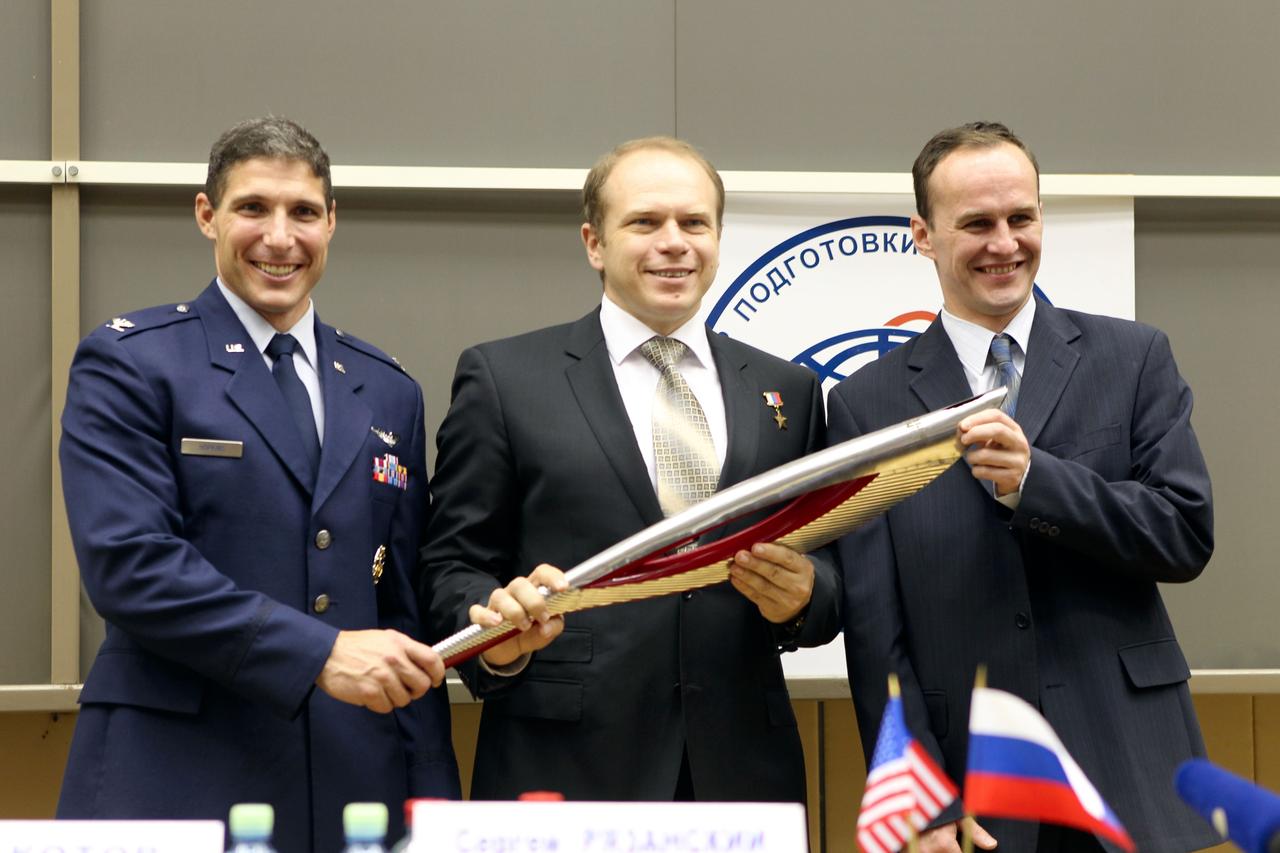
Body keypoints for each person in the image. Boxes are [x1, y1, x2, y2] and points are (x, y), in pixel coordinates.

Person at [57, 116, 460, 852]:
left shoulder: (386, 388)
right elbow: (130, 566)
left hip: (353, 790)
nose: (280, 237)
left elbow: (402, 611)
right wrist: (322, 653)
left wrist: (435, 808)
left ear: (331, 222)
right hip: (176, 778)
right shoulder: (132, 363)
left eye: (303, 212)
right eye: (252, 208)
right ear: (206, 213)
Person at [829, 122, 1216, 852]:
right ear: (924, 234)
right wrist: (919, 795)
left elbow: (1185, 532)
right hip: (971, 787)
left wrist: (1041, 482)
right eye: (976, 223)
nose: (1005, 243)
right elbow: (876, 629)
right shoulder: (864, 404)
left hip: (1130, 765)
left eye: (1022, 218)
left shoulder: (1134, 358)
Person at [421, 136, 840, 801]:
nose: (673, 242)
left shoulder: (785, 388)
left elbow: (834, 570)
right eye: (645, 221)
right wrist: (496, 632)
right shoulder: (506, 379)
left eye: (694, 222)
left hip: (742, 772)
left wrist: (806, 598)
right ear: (594, 242)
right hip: (564, 773)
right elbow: (448, 565)